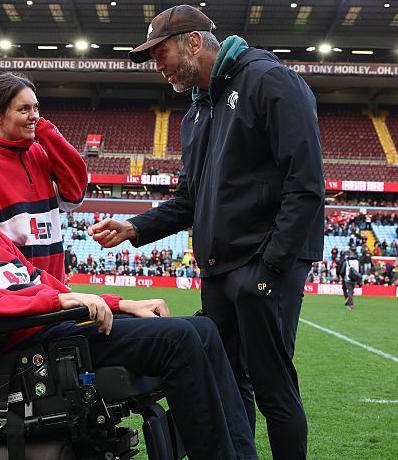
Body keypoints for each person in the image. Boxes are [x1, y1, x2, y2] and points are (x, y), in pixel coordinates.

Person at [0, 130, 257, 460]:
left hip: (40, 330)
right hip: (11, 352)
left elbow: (40, 282)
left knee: (204, 329)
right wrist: (56, 303)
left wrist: (121, 303)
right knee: (178, 338)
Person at [87, 5, 324, 458]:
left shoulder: (268, 80)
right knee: (229, 386)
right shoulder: (196, 113)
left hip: (262, 268)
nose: (158, 67)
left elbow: (306, 184)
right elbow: (188, 201)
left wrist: (271, 267)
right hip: (219, 270)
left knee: (274, 387)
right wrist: (133, 226)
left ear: (194, 42)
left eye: (161, 54)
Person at [0, 72, 87, 283]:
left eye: (36, 107)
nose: (35, 116)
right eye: (24, 109)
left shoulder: (39, 152)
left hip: (55, 291)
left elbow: (74, 196)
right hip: (18, 297)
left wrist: (48, 133)